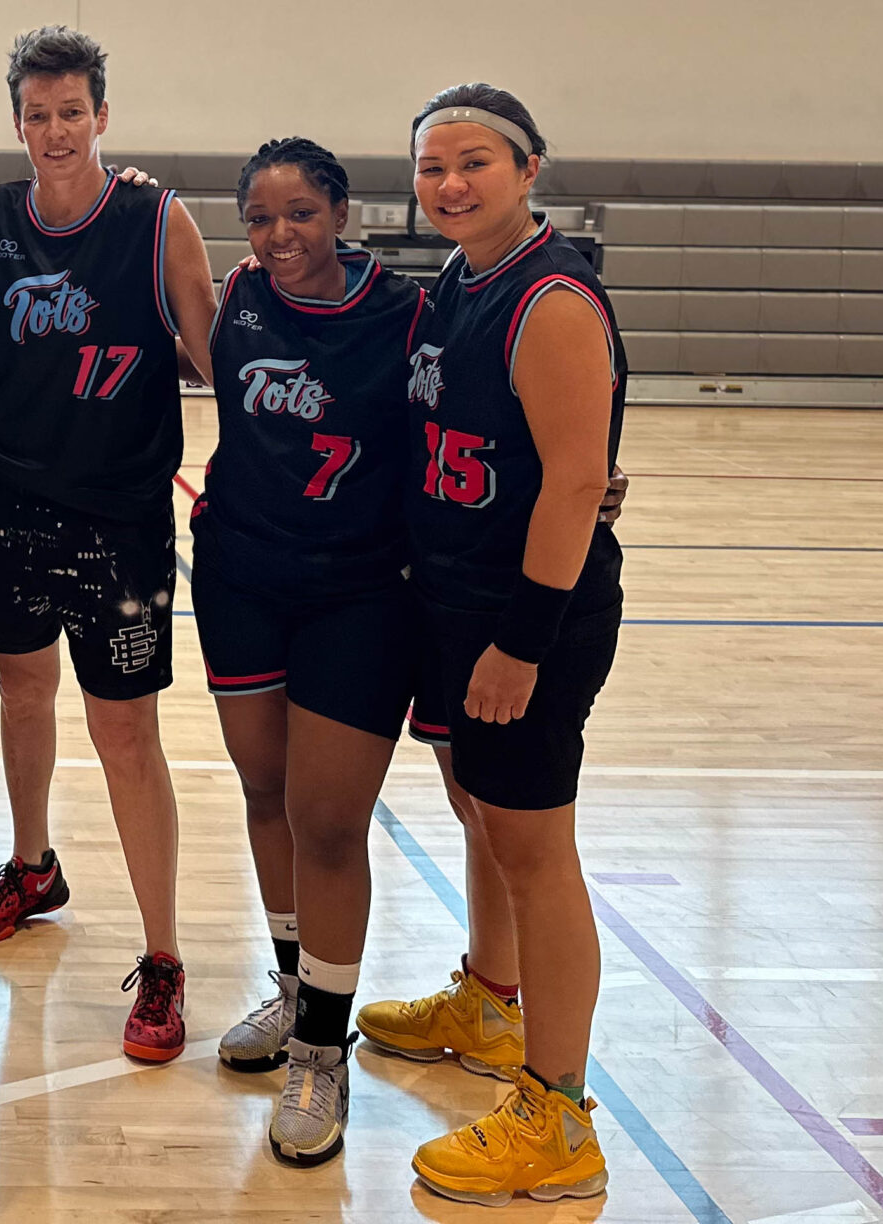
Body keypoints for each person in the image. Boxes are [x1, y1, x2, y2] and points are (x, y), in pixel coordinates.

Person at [361, 82, 626, 1206]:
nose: (450, 184)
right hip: (453, 601)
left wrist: (522, 642)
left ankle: (559, 1114)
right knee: (477, 808)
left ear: (528, 169)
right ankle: (488, 997)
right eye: (431, 167)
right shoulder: (458, 286)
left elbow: (574, 483)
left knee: (533, 845)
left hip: (527, 618)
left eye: (474, 162)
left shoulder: (552, 298)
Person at [0, 26, 219, 1063]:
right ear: (16, 122)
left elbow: (214, 358)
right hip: (7, 499)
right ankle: (32, 867)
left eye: (72, 113)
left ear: (101, 116)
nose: (54, 131)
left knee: (125, 739)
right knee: (21, 694)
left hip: (118, 524)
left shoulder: (157, 222)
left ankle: (162, 956)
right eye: (36, 115)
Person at [187, 138, 426, 1164]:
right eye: (260, 218)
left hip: (361, 593)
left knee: (328, 823)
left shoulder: (408, 312)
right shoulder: (237, 296)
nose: (279, 237)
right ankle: (295, 991)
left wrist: (593, 467)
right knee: (265, 792)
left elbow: (496, 404)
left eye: (300, 215)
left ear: (340, 213)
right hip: (240, 578)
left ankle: (322, 1054)